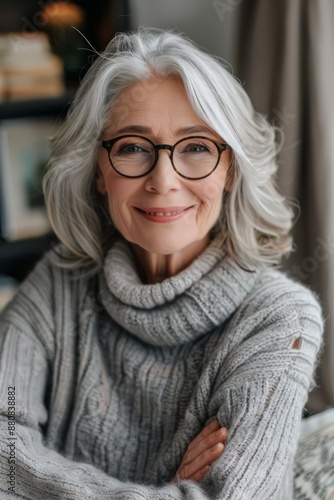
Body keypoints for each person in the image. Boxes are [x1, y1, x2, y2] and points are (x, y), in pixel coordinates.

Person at [0, 28, 323, 499]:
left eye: (196, 147)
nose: (163, 180)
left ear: (230, 168)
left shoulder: (279, 318)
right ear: (98, 171)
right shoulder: (59, 282)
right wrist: (162, 493)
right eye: (132, 147)